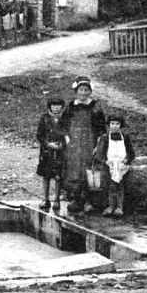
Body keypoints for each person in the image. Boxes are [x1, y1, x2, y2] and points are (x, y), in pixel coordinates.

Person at [61, 76, 106, 213]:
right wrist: (67, 139)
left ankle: (88, 201)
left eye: (86, 90)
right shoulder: (71, 107)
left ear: (90, 91)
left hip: (89, 142)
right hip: (74, 144)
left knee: (89, 168)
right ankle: (76, 199)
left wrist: (97, 144)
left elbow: (101, 129)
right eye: (80, 90)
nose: (83, 93)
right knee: (74, 170)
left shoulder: (95, 108)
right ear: (76, 91)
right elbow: (63, 125)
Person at [93, 115, 136, 217]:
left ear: (121, 125)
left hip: (121, 165)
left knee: (120, 186)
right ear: (108, 125)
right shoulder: (105, 137)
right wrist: (105, 161)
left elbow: (131, 153)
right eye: (112, 124)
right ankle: (111, 206)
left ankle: (119, 207)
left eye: (117, 124)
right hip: (109, 165)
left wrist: (126, 160)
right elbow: (99, 154)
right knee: (110, 186)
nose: (115, 126)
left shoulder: (125, 137)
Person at [35, 97, 68, 211]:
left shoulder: (65, 119)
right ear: (50, 107)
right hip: (47, 152)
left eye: (59, 106)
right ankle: (45, 199)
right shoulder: (45, 118)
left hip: (60, 152)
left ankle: (57, 199)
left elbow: (68, 134)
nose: (56, 108)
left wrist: (62, 145)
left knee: (58, 176)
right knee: (46, 175)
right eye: (54, 105)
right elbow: (39, 135)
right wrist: (48, 144)